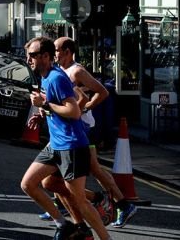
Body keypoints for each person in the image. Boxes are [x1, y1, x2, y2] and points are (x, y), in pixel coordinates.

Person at [19, 37, 110, 240]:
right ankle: (63, 224)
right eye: (28, 55)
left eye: (32, 55)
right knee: (31, 184)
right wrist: (42, 113)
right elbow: (59, 105)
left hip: (72, 145)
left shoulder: (56, 78)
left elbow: (74, 111)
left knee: (80, 201)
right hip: (56, 144)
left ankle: (104, 237)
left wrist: (44, 105)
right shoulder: (45, 76)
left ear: (45, 56)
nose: (28, 59)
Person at [53, 37, 138, 228]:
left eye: (57, 49)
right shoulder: (61, 70)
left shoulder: (78, 71)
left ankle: (118, 204)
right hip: (68, 127)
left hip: (82, 127)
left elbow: (103, 92)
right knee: (89, 168)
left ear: (67, 51)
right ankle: (121, 205)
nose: (54, 53)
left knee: (90, 168)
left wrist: (86, 107)